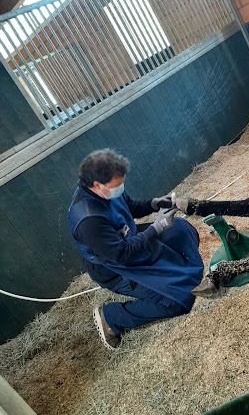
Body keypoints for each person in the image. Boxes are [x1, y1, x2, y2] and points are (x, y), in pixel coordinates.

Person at [68, 149, 203, 350]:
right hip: (114, 266)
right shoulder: (88, 220)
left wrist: (154, 204)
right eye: (117, 185)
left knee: (181, 229)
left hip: (127, 237)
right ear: (98, 185)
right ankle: (112, 318)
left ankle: (182, 273)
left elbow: (130, 206)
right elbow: (121, 254)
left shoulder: (105, 188)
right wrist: (157, 228)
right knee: (177, 302)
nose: (120, 188)